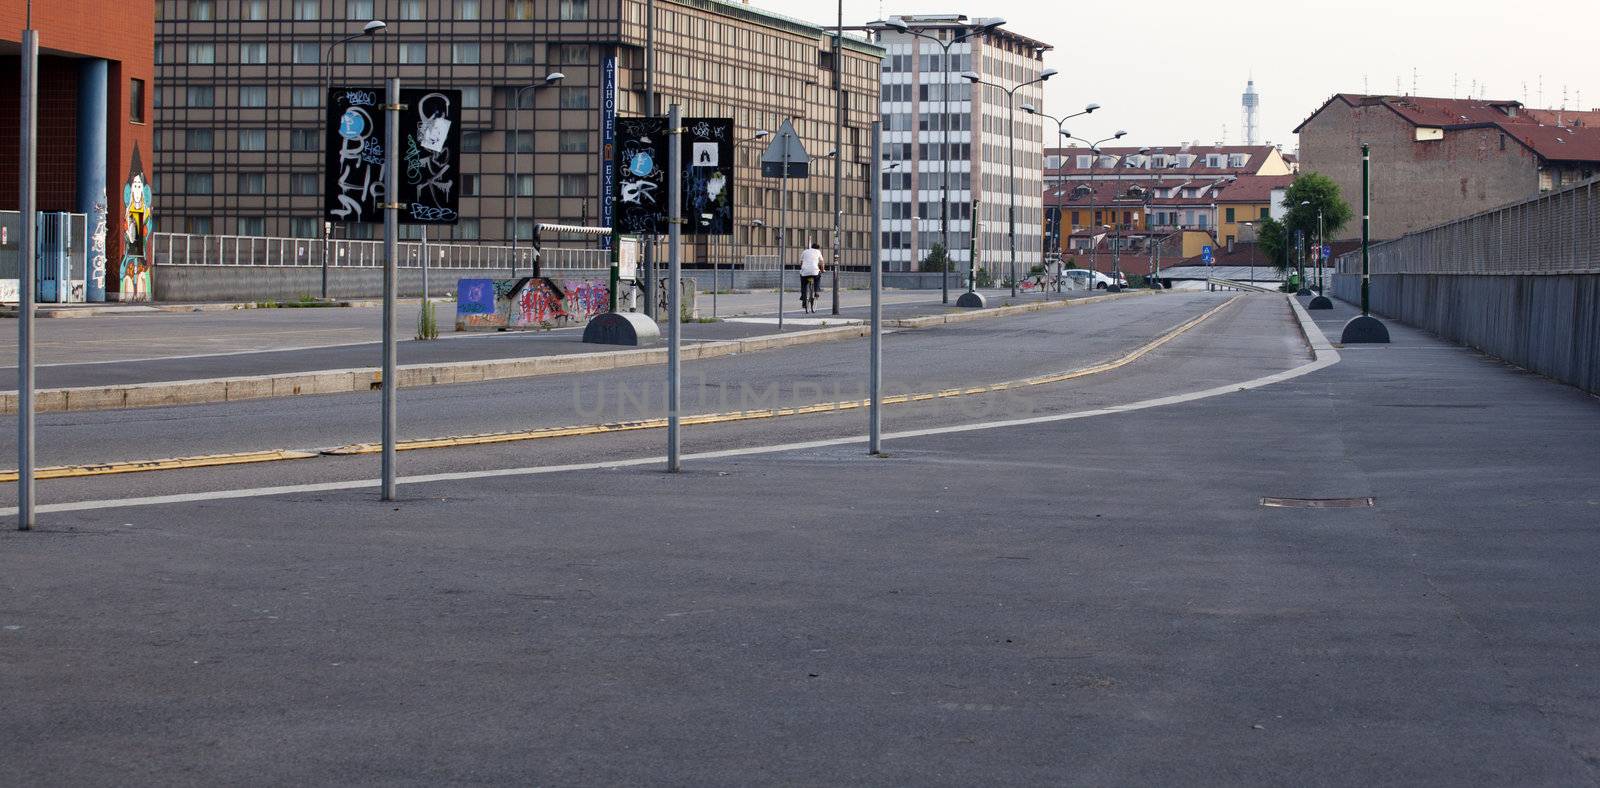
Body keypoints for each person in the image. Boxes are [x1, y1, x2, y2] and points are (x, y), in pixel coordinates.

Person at [799, 242, 824, 313]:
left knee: (803, 284)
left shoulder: (805, 251)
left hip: (805, 272)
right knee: (818, 278)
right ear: (818, 248)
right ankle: (816, 291)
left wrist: (803, 268)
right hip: (814, 271)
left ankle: (803, 297)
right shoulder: (818, 252)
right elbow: (822, 262)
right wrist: (822, 270)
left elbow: (801, 263)